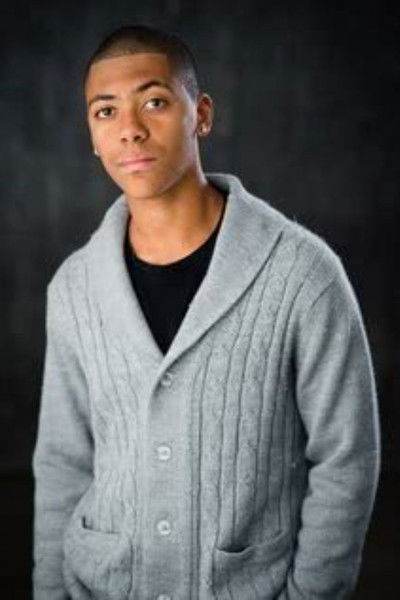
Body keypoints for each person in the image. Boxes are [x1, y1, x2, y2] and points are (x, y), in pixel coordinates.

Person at [32, 24, 381, 600]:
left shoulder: (303, 274)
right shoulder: (74, 287)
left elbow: (346, 458)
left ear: (202, 114)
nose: (130, 129)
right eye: (105, 112)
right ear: (91, 135)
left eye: (154, 102)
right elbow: (63, 463)